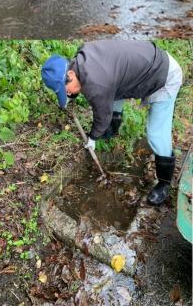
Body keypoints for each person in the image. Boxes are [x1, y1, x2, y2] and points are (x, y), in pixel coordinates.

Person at [41, 40, 183, 206]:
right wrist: (69, 94)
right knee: (113, 95)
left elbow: (102, 113)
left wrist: (93, 137)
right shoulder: (83, 58)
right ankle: (111, 130)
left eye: (65, 89)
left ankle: (165, 183)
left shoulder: (97, 83)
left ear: (71, 74)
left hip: (164, 75)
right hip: (146, 63)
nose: (67, 93)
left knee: (156, 134)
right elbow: (106, 91)